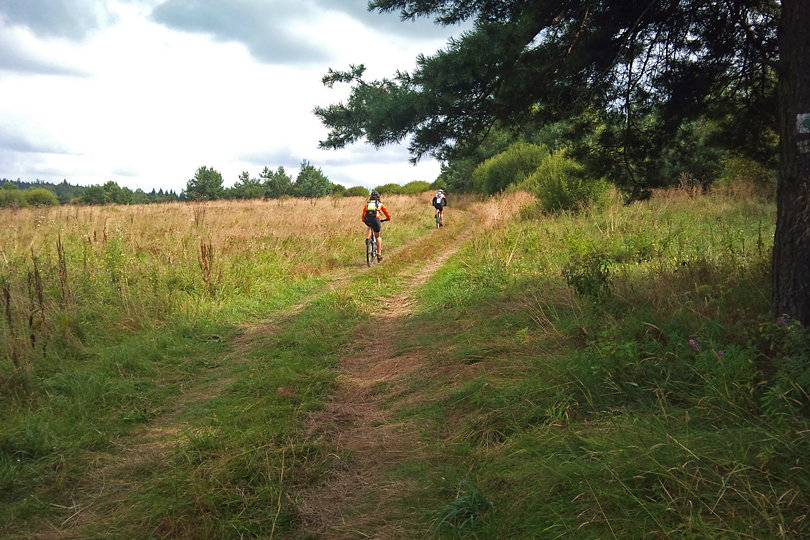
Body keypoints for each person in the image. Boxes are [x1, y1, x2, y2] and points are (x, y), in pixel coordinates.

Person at [361, 190, 391, 262]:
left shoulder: (367, 204)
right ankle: (379, 254)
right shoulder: (379, 204)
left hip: (368, 219)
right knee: (378, 236)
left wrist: (363, 220)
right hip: (376, 219)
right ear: (378, 197)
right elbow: (386, 212)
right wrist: (388, 218)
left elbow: (363, 214)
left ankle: (368, 238)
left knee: (369, 226)